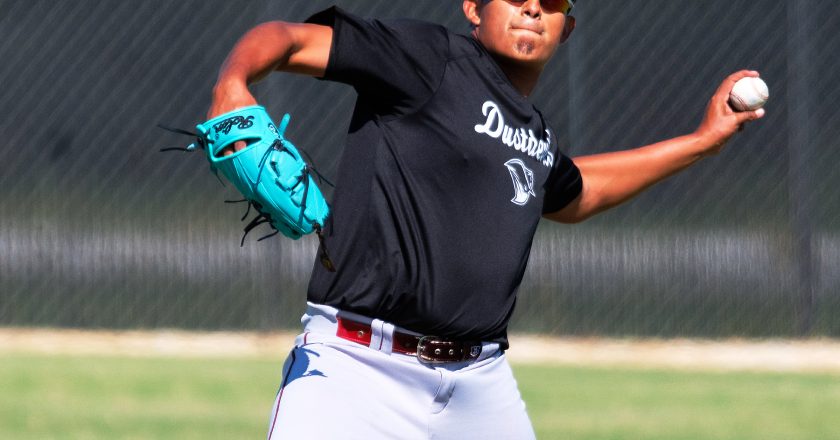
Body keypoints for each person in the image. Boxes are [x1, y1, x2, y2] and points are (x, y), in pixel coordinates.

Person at [208, 1, 765, 438]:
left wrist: (701, 142)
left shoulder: (535, 135)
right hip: (356, 371)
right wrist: (232, 84)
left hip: (479, 383)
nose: (530, 7)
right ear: (473, 7)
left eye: (549, 2)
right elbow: (287, 38)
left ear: (565, 29)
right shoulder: (428, 58)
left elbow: (576, 191)